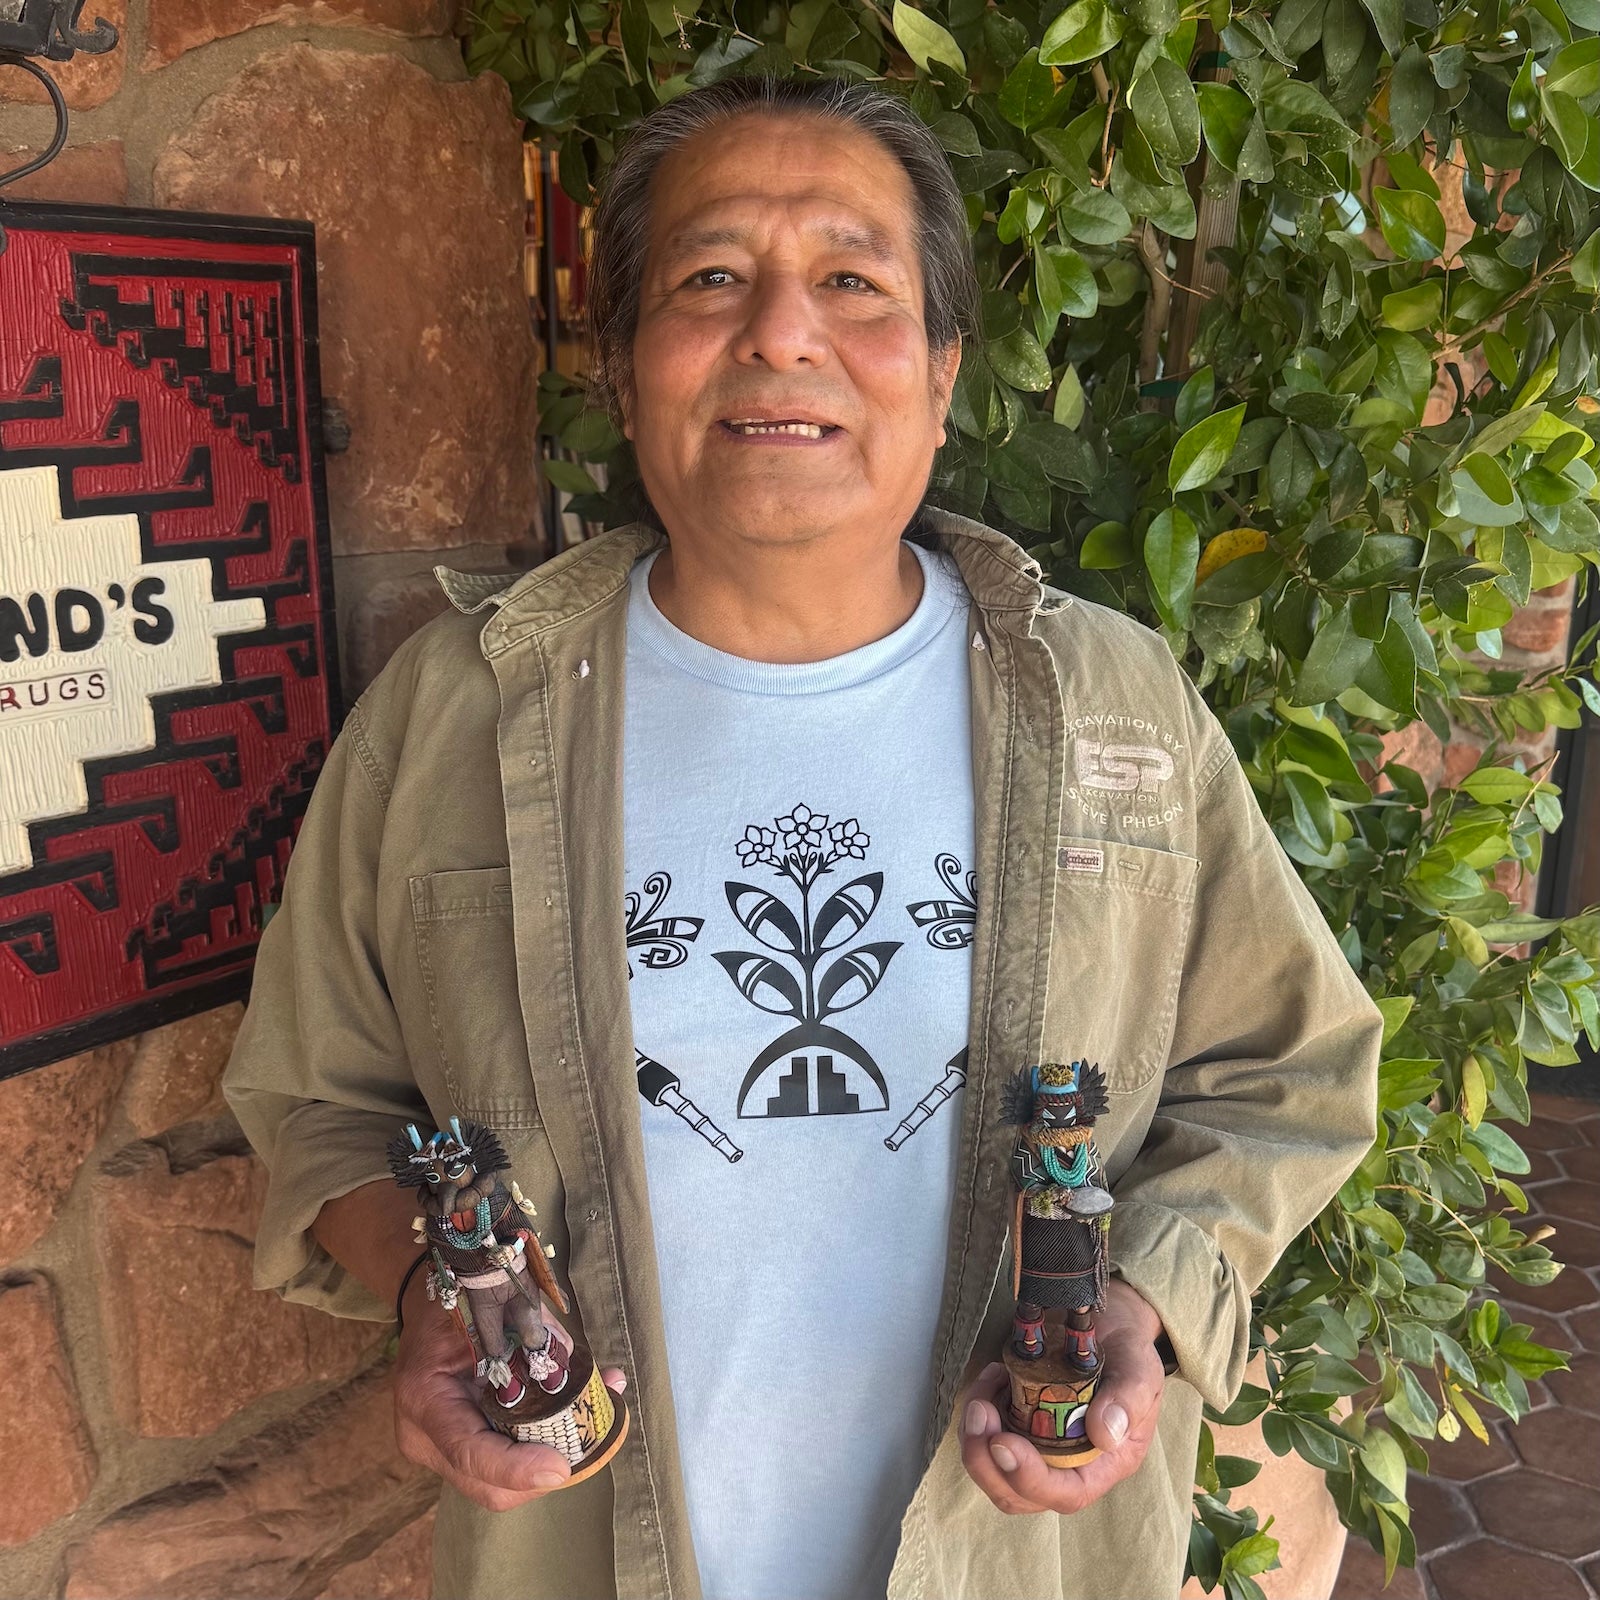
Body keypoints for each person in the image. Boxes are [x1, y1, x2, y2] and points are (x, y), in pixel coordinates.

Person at [222, 72, 1382, 1600]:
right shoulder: (452, 717)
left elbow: (1285, 1072)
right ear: (625, 368)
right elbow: (322, 1098)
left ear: (944, 371)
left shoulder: (1118, 708)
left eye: (853, 281)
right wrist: (435, 1289)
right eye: (710, 278)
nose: (780, 332)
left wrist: (1144, 1302)